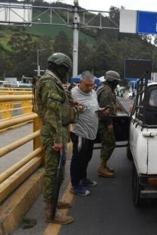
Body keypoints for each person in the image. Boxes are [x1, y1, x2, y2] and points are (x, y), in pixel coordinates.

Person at [35, 52, 76, 224]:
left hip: (57, 132)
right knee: (53, 173)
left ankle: (53, 203)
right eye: (65, 69)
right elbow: (52, 114)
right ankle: (50, 214)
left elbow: (59, 107)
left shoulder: (53, 82)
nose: (65, 73)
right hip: (54, 135)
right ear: (59, 67)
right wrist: (58, 139)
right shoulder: (49, 82)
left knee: (58, 174)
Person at [70, 71, 107, 195]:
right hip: (80, 132)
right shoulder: (73, 93)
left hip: (91, 132)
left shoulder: (93, 93)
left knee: (87, 157)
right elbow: (67, 111)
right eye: (87, 85)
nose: (90, 87)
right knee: (78, 158)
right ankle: (75, 185)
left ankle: (83, 178)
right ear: (80, 82)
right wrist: (75, 109)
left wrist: (100, 111)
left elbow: (94, 108)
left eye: (92, 85)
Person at [96, 70, 121, 177]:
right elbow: (105, 110)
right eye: (116, 82)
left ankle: (104, 165)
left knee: (107, 143)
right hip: (104, 122)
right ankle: (102, 167)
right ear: (112, 81)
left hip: (102, 120)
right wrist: (109, 123)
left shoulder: (104, 88)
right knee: (109, 144)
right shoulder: (106, 91)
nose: (117, 84)